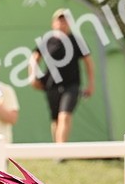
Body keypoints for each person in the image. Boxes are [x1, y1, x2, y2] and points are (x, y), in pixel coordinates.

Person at [30, 9, 94, 143]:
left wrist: (91, 84)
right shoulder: (47, 41)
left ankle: (61, 152)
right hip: (51, 86)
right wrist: (33, 77)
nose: (62, 23)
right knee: (55, 120)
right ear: (53, 23)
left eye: (65, 21)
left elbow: (88, 62)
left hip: (71, 85)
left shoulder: (76, 41)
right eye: (60, 20)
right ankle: (57, 149)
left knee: (65, 116)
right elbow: (34, 58)